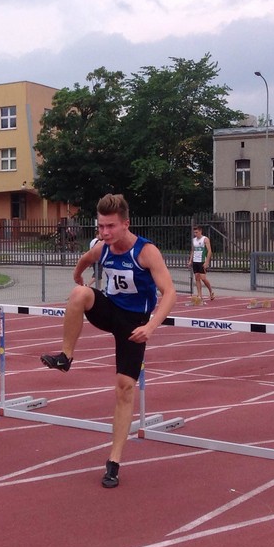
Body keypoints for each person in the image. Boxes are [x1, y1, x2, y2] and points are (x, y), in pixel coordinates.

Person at [39, 193, 176, 489]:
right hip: (110, 311)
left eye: (110, 226)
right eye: (100, 226)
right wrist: (78, 276)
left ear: (126, 223)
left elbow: (170, 293)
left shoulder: (146, 252)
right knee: (79, 294)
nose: (104, 232)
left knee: (124, 388)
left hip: (134, 323)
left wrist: (151, 326)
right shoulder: (102, 248)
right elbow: (84, 260)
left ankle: (113, 462)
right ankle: (65, 357)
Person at [188, 225, 215, 302]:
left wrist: (207, 262)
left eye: (197, 232)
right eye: (194, 232)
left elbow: (209, 251)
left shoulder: (205, 239)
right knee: (197, 277)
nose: (195, 234)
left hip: (202, 261)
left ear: (200, 231)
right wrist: (190, 260)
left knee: (203, 278)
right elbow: (193, 250)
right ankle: (199, 295)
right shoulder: (194, 240)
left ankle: (211, 291)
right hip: (195, 261)